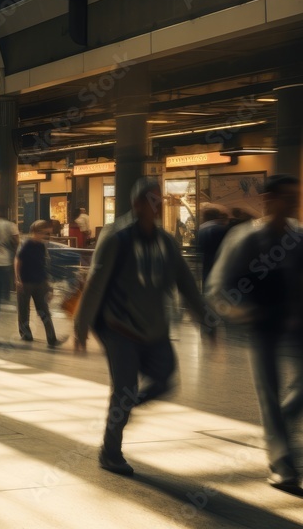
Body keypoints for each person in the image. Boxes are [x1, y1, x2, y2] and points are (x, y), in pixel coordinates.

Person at [73, 178, 215, 477]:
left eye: (159, 201)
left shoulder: (166, 242)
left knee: (164, 380)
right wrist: (81, 325)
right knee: (124, 388)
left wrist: (206, 320)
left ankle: (126, 407)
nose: (157, 206)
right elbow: (96, 283)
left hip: (154, 329)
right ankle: (110, 452)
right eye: (151, 201)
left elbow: (186, 284)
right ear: (137, 204)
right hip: (118, 327)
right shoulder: (116, 238)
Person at [207, 175, 302, 493]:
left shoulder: (297, 235)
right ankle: (282, 464)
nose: (293, 204)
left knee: (290, 395)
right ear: (269, 199)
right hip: (261, 324)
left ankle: (279, 431)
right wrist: (242, 312)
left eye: (296, 198)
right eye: (287, 197)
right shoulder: (246, 238)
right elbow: (218, 287)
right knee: (269, 393)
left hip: (296, 322)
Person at [15, 221, 61, 347]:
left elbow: (44, 265)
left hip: (40, 281)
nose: (48, 237)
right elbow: (18, 261)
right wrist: (18, 278)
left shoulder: (41, 246)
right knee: (24, 310)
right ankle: (26, 334)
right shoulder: (26, 244)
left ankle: (52, 338)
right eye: (46, 234)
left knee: (44, 310)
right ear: (36, 232)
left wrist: (48, 285)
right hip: (26, 282)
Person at [196, 205, 229, 290]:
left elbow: (199, 249)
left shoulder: (201, 230)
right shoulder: (222, 229)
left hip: (206, 265)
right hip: (222, 267)